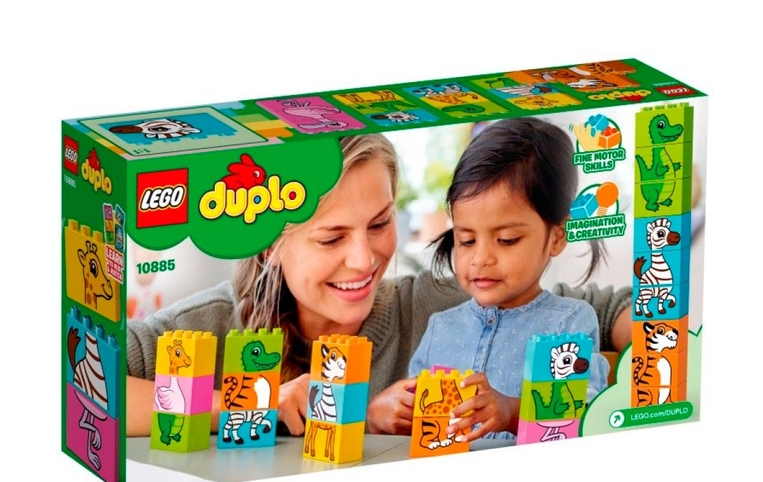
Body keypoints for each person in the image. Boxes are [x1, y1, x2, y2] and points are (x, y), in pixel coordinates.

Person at [127, 132, 632, 438]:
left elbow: (624, 312)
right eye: (331, 238)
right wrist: (253, 403)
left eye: (379, 223)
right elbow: (92, 384)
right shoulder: (208, 327)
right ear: (269, 246)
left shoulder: (440, 303)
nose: (365, 259)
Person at [408, 117, 611, 442]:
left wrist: (513, 413)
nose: (480, 259)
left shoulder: (569, 324)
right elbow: (418, 424)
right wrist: (393, 414)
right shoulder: (439, 328)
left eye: (506, 240)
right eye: (467, 240)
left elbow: (585, 417)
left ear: (557, 236)